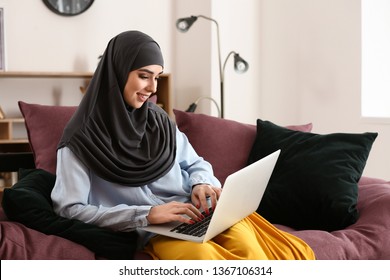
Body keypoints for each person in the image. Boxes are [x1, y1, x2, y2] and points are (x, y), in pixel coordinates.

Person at [51, 30, 315, 260]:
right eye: (144, 76)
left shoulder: (159, 121)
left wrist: (201, 182)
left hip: (202, 213)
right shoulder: (79, 141)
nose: (152, 88)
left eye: (157, 77)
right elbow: (70, 208)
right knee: (202, 260)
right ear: (118, 72)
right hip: (159, 227)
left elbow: (195, 163)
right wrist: (147, 214)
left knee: (253, 253)